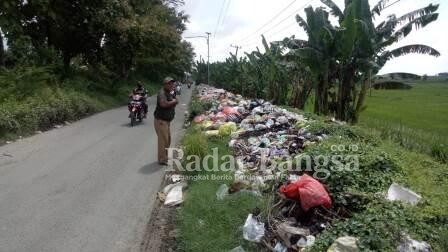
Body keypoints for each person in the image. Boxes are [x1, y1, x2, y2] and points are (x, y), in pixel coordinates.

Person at [154, 77, 178, 165]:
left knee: (168, 140)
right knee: (163, 141)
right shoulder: (162, 93)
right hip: (161, 121)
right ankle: (162, 159)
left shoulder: (169, 93)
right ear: (165, 85)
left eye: (172, 83)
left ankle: (165, 157)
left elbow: (171, 104)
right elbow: (163, 104)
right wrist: (174, 101)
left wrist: (174, 102)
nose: (171, 85)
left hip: (166, 121)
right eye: (169, 83)